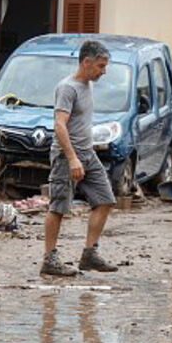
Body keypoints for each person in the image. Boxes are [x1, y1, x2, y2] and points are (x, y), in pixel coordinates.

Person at [41, 40, 119, 276]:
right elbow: (59, 125)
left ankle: (89, 254)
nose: (103, 71)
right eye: (101, 66)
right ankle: (49, 259)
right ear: (86, 62)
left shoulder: (88, 85)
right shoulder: (68, 88)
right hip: (68, 156)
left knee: (105, 199)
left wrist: (83, 155)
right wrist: (73, 159)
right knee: (59, 206)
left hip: (87, 152)